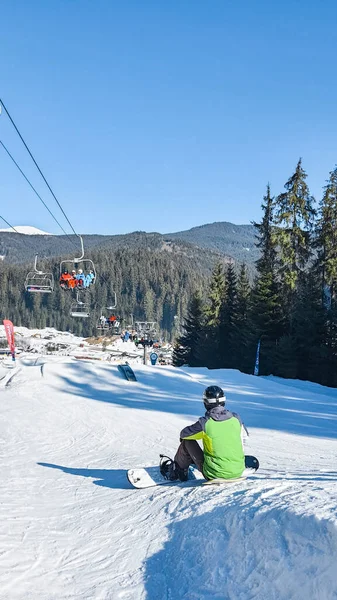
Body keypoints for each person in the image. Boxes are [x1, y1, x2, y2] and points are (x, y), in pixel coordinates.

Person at [165, 385, 247, 482]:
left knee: (187, 442)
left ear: (206, 403)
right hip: (238, 471)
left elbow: (184, 434)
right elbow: (244, 437)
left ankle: (177, 471)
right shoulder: (236, 418)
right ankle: (232, 465)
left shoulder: (205, 423)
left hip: (214, 474)